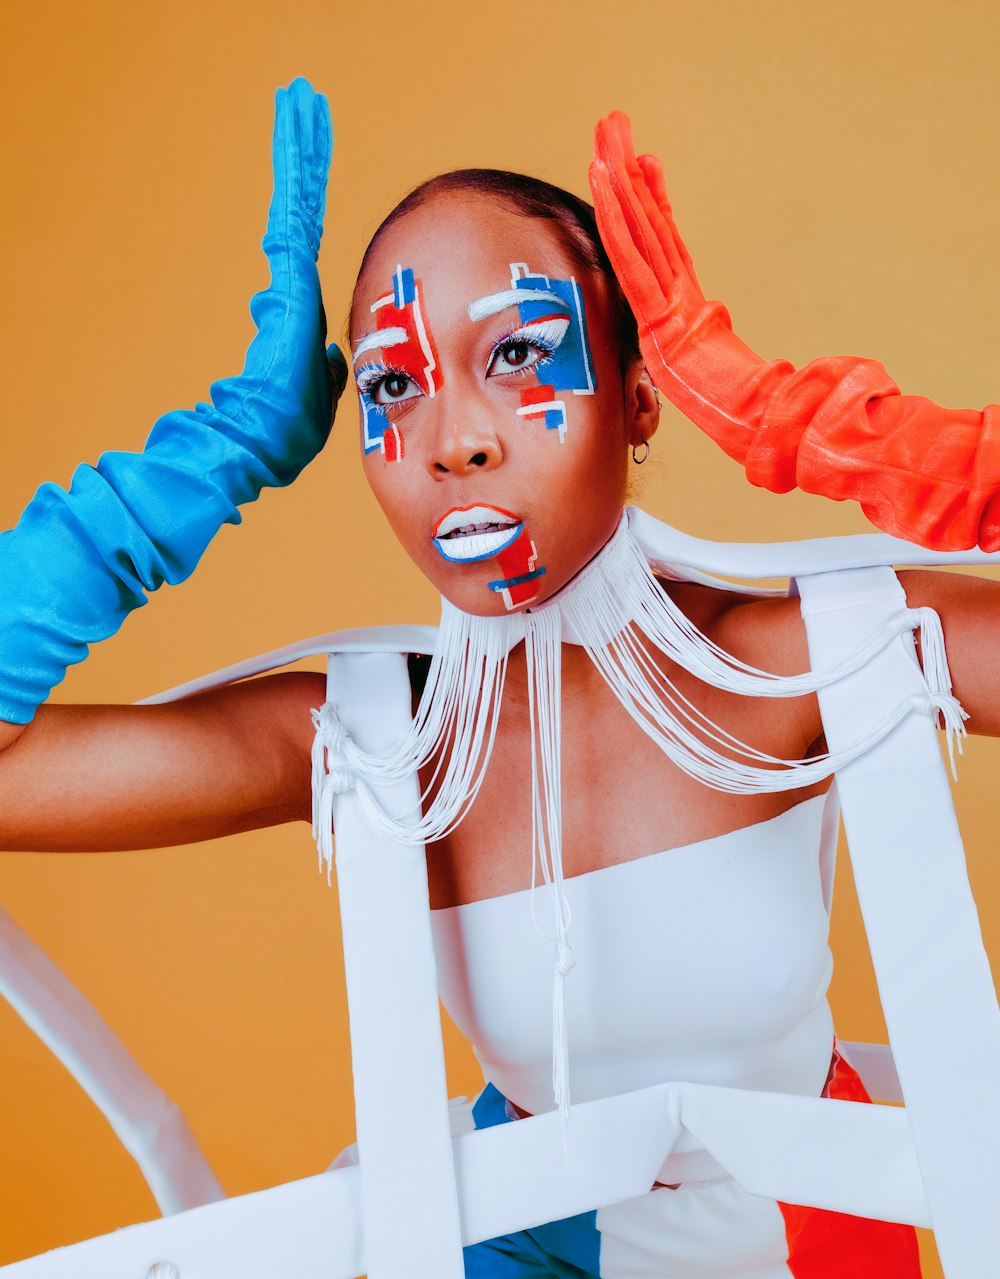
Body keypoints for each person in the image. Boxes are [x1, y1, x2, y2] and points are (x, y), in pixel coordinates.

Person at [2, 78, 999, 1276]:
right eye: (393, 384)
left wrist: (813, 424)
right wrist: (215, 455)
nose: (451, 439)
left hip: (818, 1224)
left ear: (638, 396)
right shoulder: (375, 737)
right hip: (513, 1243)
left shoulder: (794, 660)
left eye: (519, 352)